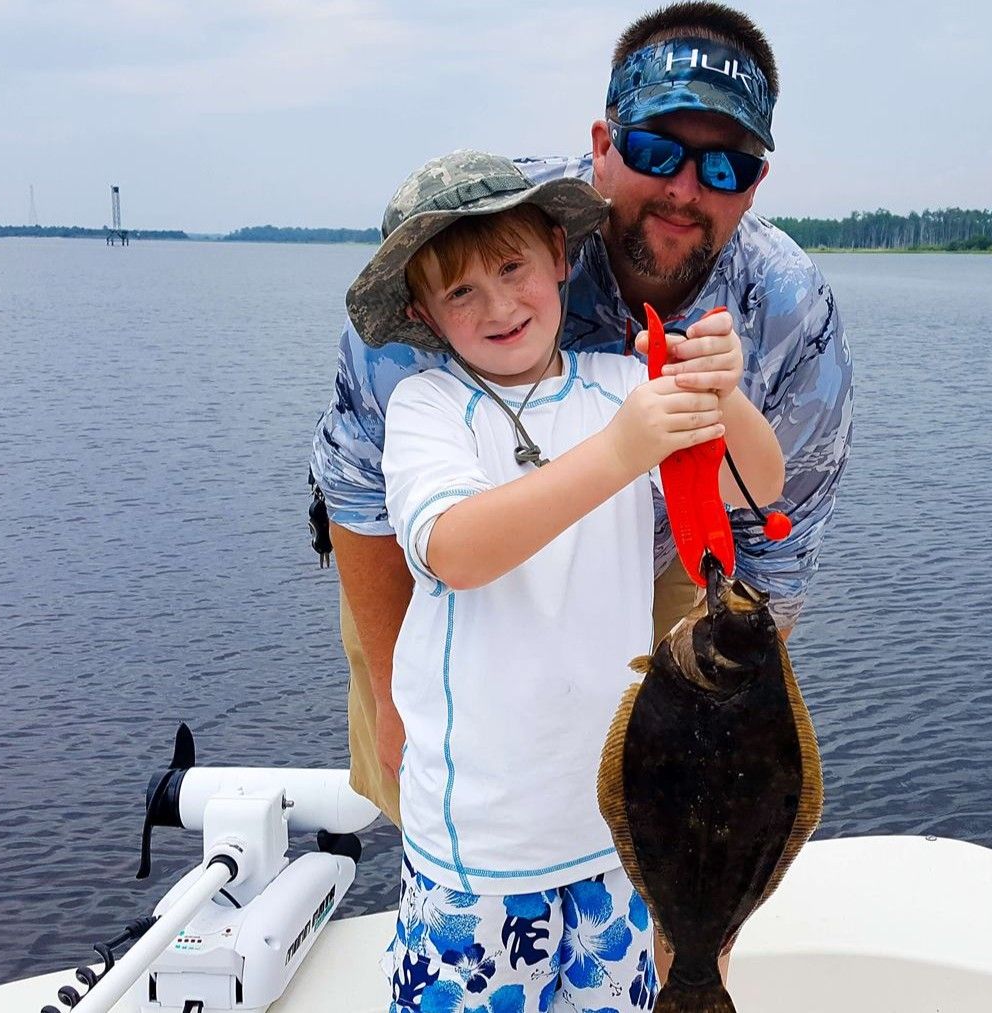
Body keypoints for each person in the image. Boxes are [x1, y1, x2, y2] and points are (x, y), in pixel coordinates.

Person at [313, 1, 853, 825]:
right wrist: (391, 693)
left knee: (692, 822)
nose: (683, 190)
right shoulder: (468, 235)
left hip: (660, 548)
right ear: (603, 144)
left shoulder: (784, 306)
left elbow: (777, 513)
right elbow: (357, 489)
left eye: (723, 168)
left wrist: (744, 727)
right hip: (446, 554)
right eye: (654, 150)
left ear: (753, 186)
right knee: (430, 784)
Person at [352, 149, 784, 1013]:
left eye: (512, 267)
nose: (499, 305)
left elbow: (761, 483)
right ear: (422, 312)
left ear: (558, 255)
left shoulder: (623, 384)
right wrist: (623, 450)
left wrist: (717, 390)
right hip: (477, 852)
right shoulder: (429, 410)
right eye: (460, 290)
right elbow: (455, 548)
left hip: (611, 841)